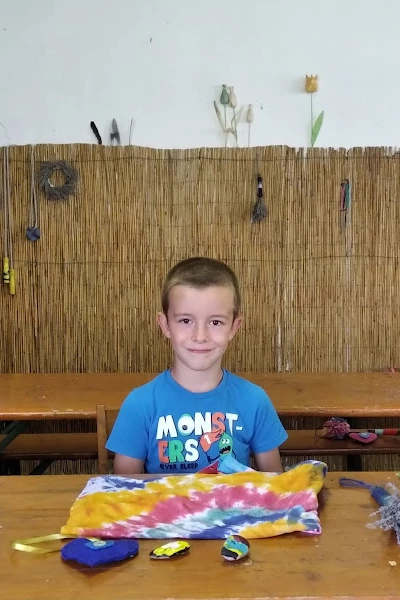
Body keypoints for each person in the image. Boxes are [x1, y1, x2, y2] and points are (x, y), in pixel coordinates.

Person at [106, 257, 287, 474]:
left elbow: (275, 484)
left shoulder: (254, 400)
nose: (200, 336)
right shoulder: (139, 404)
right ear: (165, 325)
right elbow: (125, 487)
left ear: (234, 327)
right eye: (185, 321)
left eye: (215, 322)